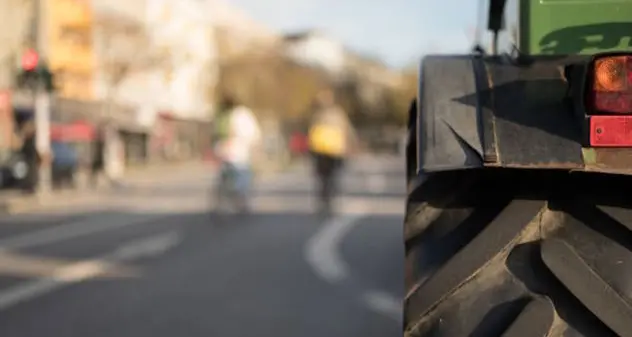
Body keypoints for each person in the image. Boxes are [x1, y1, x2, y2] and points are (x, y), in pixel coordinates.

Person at [307, 89, 358, 216]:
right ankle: (328, 198)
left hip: (325, 150)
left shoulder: (318, 115)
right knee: (329, 176)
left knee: (325, 177)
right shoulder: (335, 114)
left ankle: (326, 198)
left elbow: (312, 132)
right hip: (332, 150)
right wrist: (351, 143)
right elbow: (347, 129)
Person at [213, 95, 261, 211]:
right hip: (238, 149)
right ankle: (239, 197)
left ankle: (225, 193)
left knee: (227, 171)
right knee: (243, 174)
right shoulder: (242, 114)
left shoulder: (223, 114)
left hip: (222, 147)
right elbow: (252, 133)